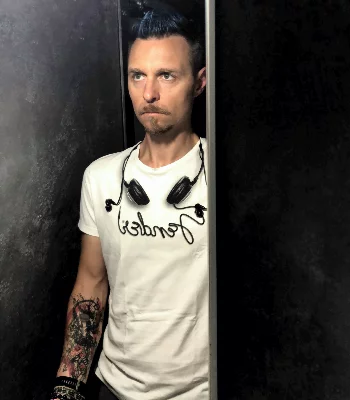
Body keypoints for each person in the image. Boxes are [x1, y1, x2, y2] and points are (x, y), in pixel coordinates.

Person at [50, 9, 208, 400]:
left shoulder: (224, 176)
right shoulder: (101, 177)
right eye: (138, 75)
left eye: (166, 75)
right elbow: (91, 284)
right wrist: (67, 388)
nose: (149, 93)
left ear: (199, 82)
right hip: (115, 388)